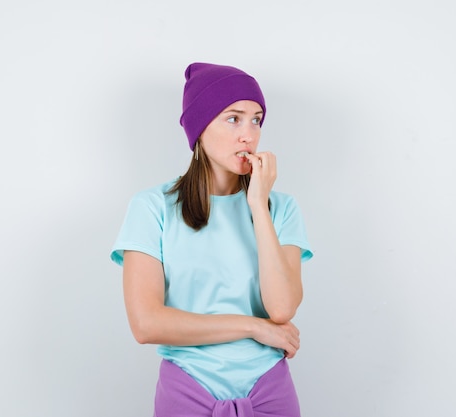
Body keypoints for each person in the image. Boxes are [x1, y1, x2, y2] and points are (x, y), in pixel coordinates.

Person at [110, 62, 314, 417]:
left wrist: (258, 207)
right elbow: (146, 324)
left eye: (257, 119)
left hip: (270, 391)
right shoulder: (152, 208)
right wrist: (253, 327)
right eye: (233, 118)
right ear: (200, 127)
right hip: (188, 390)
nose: (248, 134)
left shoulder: (282, 208)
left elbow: (281, 309)